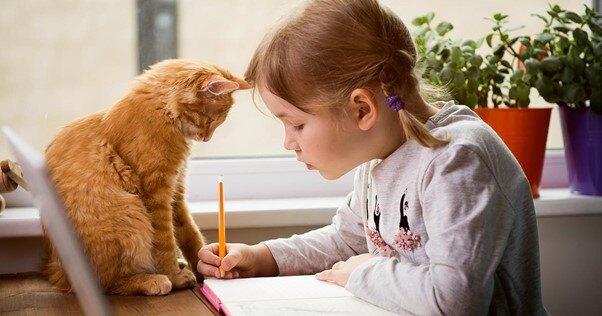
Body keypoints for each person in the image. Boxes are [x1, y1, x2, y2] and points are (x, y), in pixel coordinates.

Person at [197, 0, 546, 314]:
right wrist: (264, 258)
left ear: (362, 109)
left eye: (297, 124)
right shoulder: (381, 157)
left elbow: (456, 299)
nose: (289, 142)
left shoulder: (457, 161)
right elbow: (347, 240)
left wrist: (362, 272)